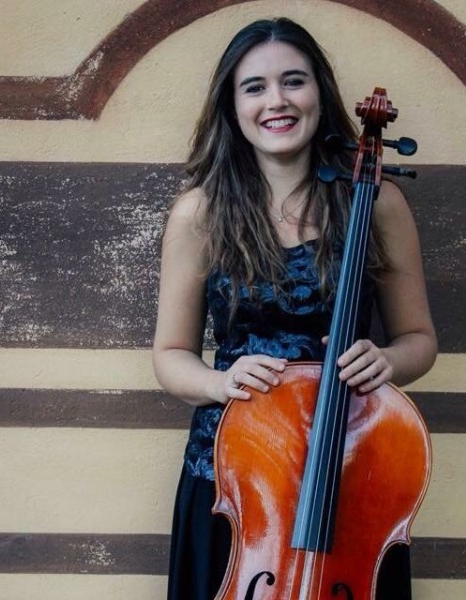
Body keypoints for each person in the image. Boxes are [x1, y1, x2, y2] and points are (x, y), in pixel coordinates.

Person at [153, 17, 437, 600]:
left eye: (293, 81)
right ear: (232, 106)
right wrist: (218, 381)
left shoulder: (376, 202)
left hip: (349, 471)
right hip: (235, 478)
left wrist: (387, 361)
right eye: (254, 87)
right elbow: (170, 355)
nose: (276, 101)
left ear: (319, 93)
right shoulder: (200, 213)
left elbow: (419, 340)